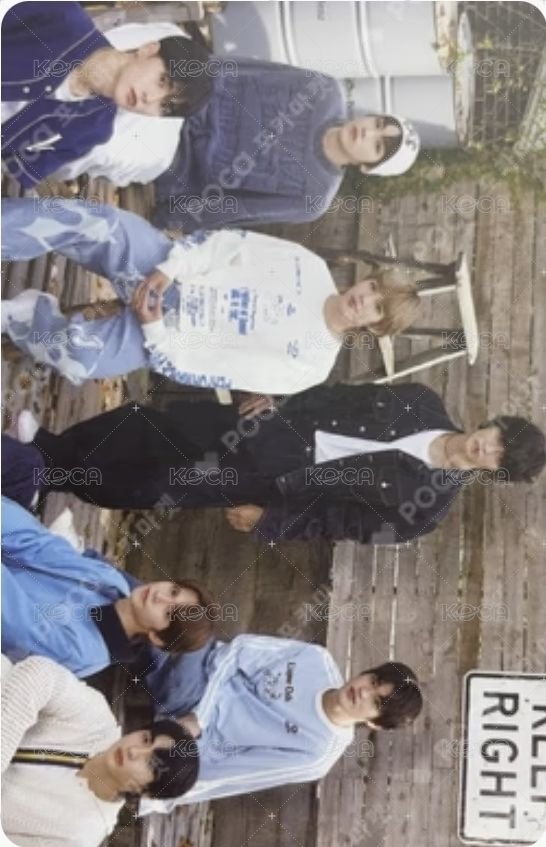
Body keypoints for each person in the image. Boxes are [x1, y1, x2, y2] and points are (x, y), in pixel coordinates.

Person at [7, 381, 544, 542]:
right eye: (499, 437)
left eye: (500, 457)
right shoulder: (422, 402)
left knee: (155, 484)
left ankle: (50, 473)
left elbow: (340, 523)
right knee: (146, 423)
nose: (488, 447)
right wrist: (281, 398)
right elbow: (340, 394)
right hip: (270, 427)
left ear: (495, 472)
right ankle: (48, 453)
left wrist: (272, 521)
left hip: (272, 479)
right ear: (494, 422)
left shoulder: (425, 509)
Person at [1, 197, 420, 392]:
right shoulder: (308, 266)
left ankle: (24, 314)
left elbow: (214, 369)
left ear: (375, 327)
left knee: (78, 357)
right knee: (101, 222)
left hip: (162, 333)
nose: (364, 299)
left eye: (377, 307)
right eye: (372, 287)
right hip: (168, 269)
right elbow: (226, 243)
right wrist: (169, 269)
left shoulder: (311, 366)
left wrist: (155, 331)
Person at [137, 635, 422, 812]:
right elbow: (238, 650)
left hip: (197, 732)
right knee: (176, 614)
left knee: (164, 655)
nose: (363, 691)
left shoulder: (316, 754)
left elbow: (233, 774)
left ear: (375, 724)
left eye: (376, 702)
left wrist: (163, 790)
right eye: (373, 681)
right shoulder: (316, 659)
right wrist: (201, 714)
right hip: (205, 676)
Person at [151, 55, 421, 230]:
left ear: (367, 168)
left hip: (173, 163)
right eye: (377, 124)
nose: (367, 133)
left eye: (377, 146)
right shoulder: (324, 91)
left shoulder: (314, 197)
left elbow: (238, 208)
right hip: (177, 97)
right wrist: (183, 69)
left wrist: (169, 216)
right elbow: (247, 69)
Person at [1, 1, 213, 188]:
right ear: (148, 50)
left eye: (164, 106)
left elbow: (15, 168)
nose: (150, 99)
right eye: (162, 81)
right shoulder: (63, 17)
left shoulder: (93, 130)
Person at [1, 495, 217, 677]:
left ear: (157, 637)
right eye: (173, 591)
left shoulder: (80, 652)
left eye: (169, 612)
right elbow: (39, 546)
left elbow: (11, 621)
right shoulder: (114, 582)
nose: (160, 597)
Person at [1, 653, 199, 846]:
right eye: (146, 739)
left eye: (150, 763)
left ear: (147, 792)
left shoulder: (80, 833)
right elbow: (38, 674)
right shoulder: (95, 718)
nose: (134, 751)